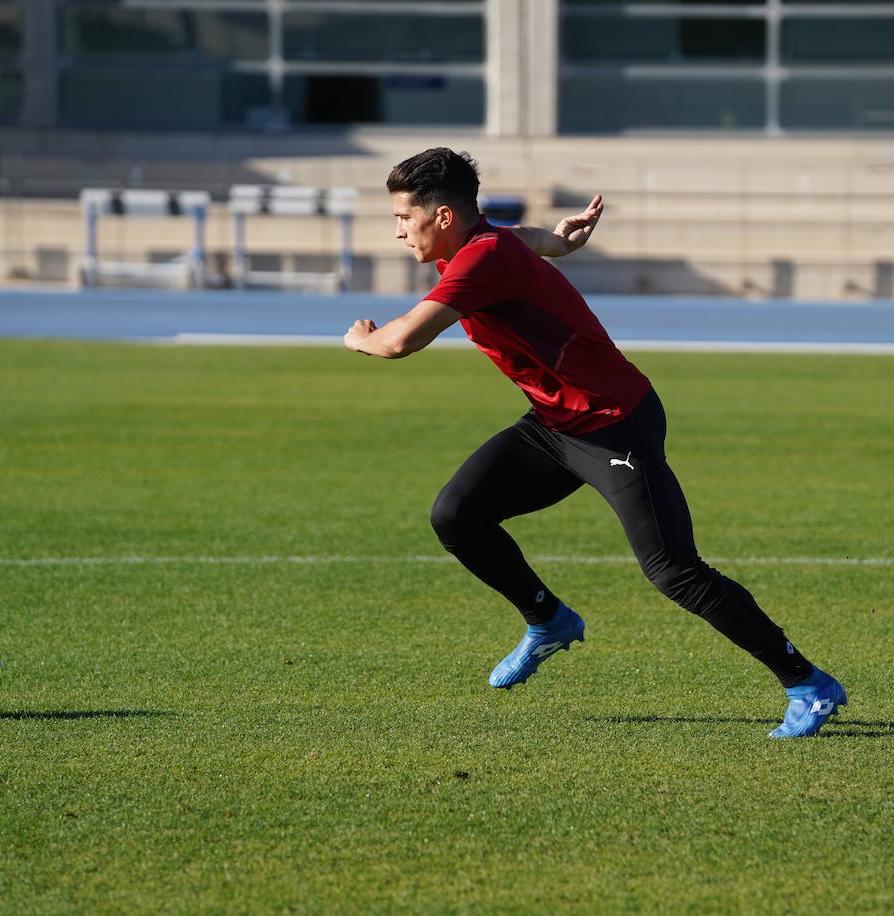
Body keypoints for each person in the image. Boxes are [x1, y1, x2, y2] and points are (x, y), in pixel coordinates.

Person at [343, 148, 845, 738]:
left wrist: (360, 340)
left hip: (614, 424)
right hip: (554, 425)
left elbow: (400, 342)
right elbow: (521, 238)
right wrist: (559, 243)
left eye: (405, 216)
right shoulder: (480, 244)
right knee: (457, 516)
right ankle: (548, 621)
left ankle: (808, 684)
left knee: (673, 571)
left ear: (444, 216)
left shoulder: (478, 260)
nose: (398, 229)